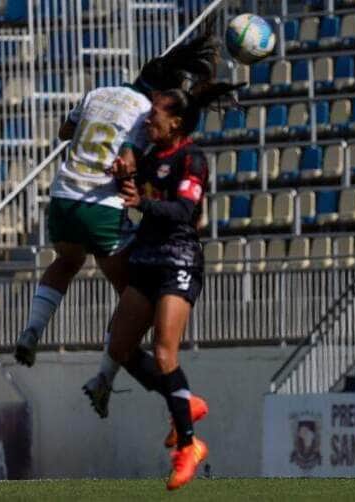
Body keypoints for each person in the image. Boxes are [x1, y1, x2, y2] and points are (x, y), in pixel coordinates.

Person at [13, 30, 222, 418]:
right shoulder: (146, 113)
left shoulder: (99, 92)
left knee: (66, 262)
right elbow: (130, 159)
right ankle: (108, 379)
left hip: (61, 200)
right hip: (102, 206)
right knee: (136, 298)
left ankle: (31, 331)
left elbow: (64, 131)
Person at [102, 80, 240, 491]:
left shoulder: (192, 158)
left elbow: (183, 211)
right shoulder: (146, 155)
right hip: (145, 258)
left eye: (156, 114)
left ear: (176, 122)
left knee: (165, 352)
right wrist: (123, 182)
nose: (149, 119)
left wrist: (140, 202)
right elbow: (135, 191)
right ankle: (185, 402)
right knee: (118, 347)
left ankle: (189, 446)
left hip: (178, 260)